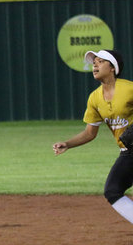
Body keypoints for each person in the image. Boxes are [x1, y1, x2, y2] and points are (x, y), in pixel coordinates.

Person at [53, 49, 133, 229]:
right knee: (112, 191)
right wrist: (68, 144)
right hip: (128, 152)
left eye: (100, 61)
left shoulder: (129, 89)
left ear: (113, 67)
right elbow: (90, 133)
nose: (95, 65)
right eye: (94, 62)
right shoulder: (95, 98)